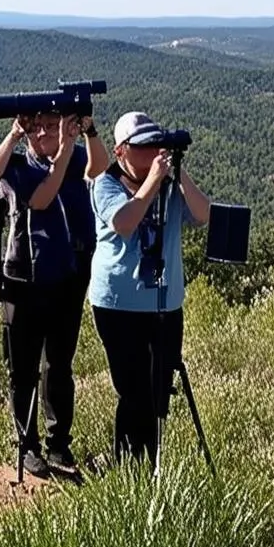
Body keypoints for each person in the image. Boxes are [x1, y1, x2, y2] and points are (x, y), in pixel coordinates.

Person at [0, 112, 108, 477]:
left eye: (52, 123)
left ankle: (58, 442)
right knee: (24, 368)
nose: (45, 132)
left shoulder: (74, 155)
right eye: (37, 126)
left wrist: (88, 132)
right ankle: (27, 444)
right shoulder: (16, 166)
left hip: (68, 274)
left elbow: (100, 166)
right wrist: (21, 137)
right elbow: (38, 196)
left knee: (59, 364)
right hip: (24, 278)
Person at [88, 111, 211, 465]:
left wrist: (178, 171)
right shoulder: (105, 183)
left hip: (165, 304)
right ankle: (128, 465)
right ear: (120, 151)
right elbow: (125, 222)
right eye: (143, 148)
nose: (153, 153)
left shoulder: (170, 185)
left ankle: (151, 461)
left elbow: (203, 215)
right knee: (132, 390)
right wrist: (155, 179)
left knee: (159, 392)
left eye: (157, 145)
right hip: (117, 305)